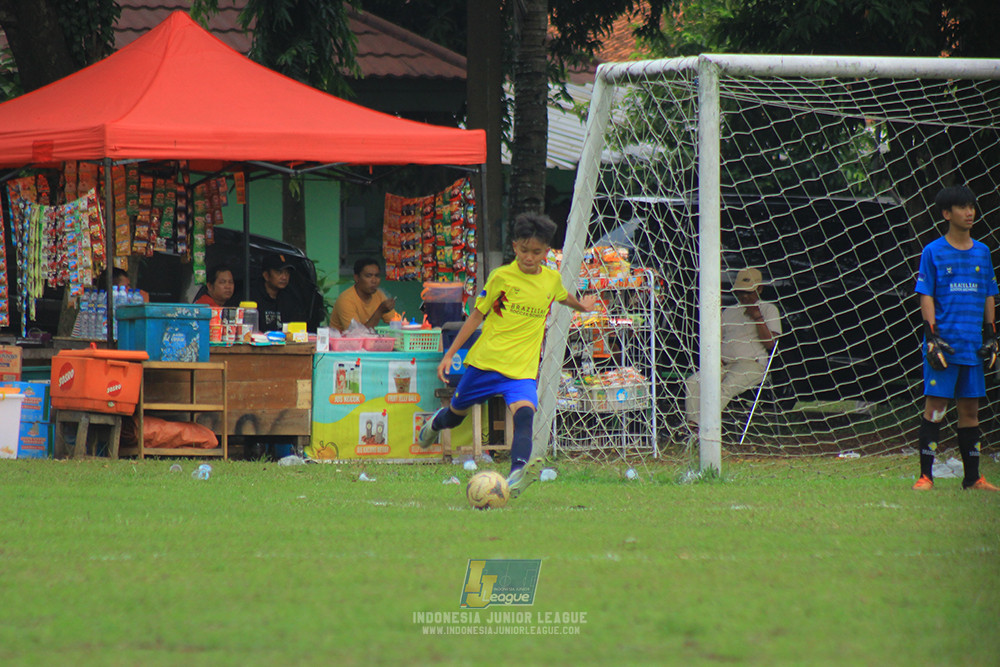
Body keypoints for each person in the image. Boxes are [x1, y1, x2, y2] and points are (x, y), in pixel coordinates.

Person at [418, 213, 598, 498]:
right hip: (486, 364)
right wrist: (449, 353)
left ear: (546, 253)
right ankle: (435, 424)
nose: (529, 257)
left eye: (536, 252)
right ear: (515, 247)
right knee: (455, 416)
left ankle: (517, 473)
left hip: (521, 369)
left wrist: (583, 306)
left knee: (526, 414)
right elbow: (476, 316)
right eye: (524, 250)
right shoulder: (501, 277)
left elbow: (562, 296)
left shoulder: (551, 280)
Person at [912, 185, 999, 492]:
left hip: (972, 348)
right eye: (962, 207)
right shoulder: (933, 251)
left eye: (972, 206)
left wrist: (991, 335)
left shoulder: (983, 252)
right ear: (947, 214)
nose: (970, 212)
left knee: (970, 412)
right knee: (935, 408)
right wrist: (932, 337)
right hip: (944, 347)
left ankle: (973, 478)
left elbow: (989, 293)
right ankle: (926, 477)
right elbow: (926, 295)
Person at [683, 267, 782, 430]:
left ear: (760, 289)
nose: (744, 296)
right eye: (740, 292)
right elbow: (717, 340)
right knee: (693, 381)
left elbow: (770, 344)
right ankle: (693, 424)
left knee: (724, 388)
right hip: (725, 363)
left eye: (748, 292)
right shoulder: (729, 312)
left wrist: (757, 316)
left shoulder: (769, 309)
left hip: (752, 364)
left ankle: (701, 427)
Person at [329, 258, 399, 331]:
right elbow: (357, 334)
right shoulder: (346, 300)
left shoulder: (379, 295)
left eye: (377, 276)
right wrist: (379, 312)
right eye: (368, 276)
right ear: (356, 278)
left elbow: (395, 321)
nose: (374, 280)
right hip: (342, 341)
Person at [251, 253, 303, 332]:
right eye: (279, 272)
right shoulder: (252, 296)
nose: (284, 277)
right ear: (266, 275)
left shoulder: (290, 298)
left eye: (287, 273)